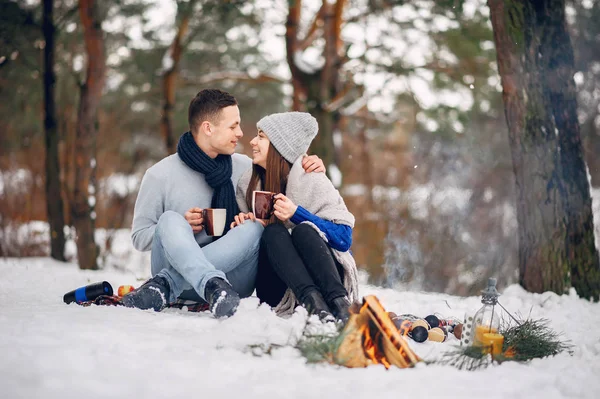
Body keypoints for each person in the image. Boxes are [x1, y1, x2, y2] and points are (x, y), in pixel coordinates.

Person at [124, 89, 324, 318]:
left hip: (229, 285)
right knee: (170, 219)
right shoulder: (159, 174)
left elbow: (284, 180)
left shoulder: (244, 167)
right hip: (177, 271)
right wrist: (182, 227)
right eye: (233, 126)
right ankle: (206, 282)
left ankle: (173, 284)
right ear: (208, 128)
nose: (240, 133)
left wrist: (306, 164)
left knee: (254, 226)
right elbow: (139, 237)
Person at [233, 112, 359, 323]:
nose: (253, 141)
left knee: (305, 230)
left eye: (261, 136)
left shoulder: (312, 179)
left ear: (280, 146)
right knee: (273, 232)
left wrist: (297, 214)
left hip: (324, 280)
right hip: (277, 288)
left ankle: (339, 304)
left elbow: (344, 239)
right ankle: (313, 304)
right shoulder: (248, 184)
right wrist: (249, 227)